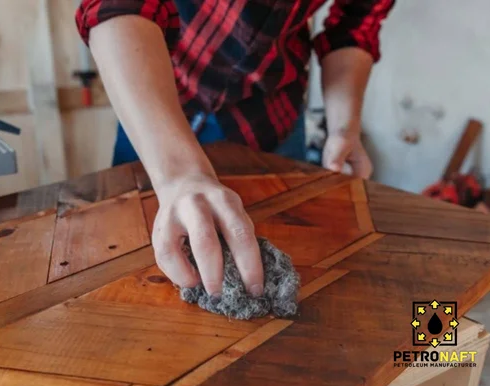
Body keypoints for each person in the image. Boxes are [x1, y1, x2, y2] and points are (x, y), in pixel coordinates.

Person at [75, 0, 395, 299]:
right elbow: (116, 5)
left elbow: (355, 23)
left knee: (296, 243)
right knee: (132, 263)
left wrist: (343, 128)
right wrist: (178, 174)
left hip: (271, 112)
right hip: (156, 100)